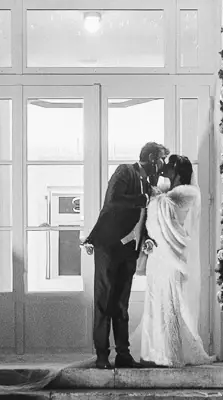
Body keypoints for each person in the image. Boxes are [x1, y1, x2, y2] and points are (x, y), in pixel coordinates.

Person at [83, 142, 170, 370]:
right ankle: (102, 356)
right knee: (104, 302)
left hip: (129, 251)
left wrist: (148, 238)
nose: (161, 166)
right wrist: (142, 199)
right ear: (151, 158)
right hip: (109, 246)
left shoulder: (149, 183)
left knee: (121, 305)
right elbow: (113, 201)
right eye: (160, 160)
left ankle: (123, 354)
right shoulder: (125, 171)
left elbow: (144, 218)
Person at [134, 154, 214, 368]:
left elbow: (165, 209)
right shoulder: (167, 193)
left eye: (169, 166)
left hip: (172, 256)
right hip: (158, 255)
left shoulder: (187, 192)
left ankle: (171, 353)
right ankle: (153, 351)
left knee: (170, 301)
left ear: (177, 171)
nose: (164, 169)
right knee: (155, 300)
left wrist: (153, 195)